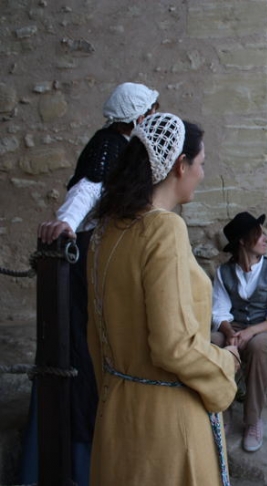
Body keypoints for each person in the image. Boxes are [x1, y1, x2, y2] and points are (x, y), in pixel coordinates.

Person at [86, 112, 240, 485]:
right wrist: (225, 362)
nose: (202, 174)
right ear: (179, 165)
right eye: (201, 164)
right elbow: (174, 346)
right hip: (168, 425)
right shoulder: (164, 228)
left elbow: (95, 336)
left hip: (116, 412)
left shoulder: (105, 229)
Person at [21, 82, 159, 486]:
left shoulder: (119, 145)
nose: (152, 118)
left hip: (98, 265)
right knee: (81, 362)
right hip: (87, 270)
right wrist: (66, 221)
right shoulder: (109, 147)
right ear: (137, 118)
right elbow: (87, 188)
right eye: (150, 112)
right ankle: (76, 469)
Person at [212, 211, 267, 453]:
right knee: (212, 343)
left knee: (260, 347)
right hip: (235, 328)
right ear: (243, 241)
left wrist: (248, 333)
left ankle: (252, 420)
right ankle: (220, 415)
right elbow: (219, 312)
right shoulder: (223, 272)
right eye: (259, 234)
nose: (265, 238)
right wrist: (228, 332)